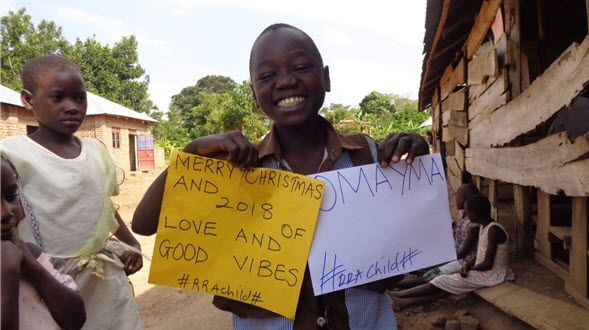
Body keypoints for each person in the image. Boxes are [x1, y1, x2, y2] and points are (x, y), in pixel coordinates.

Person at [132, 23, 429, 329]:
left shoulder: (368, 155)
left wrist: (415, 159)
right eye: (267, 76)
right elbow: (143, 223)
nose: (286, 81)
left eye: (300, 67)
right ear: (254, 93)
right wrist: (192, 153)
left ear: (326, 78)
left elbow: (417, 225)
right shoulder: (233, 170)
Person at [1, 54, 143, 329]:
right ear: (28, 100)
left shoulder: (96, 151)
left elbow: (102, 207)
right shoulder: (13, 154)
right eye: (58, 98)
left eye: (79, 98)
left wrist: (129, 242)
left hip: (106, 277)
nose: (72, 107)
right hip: (50, 278)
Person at [1, 156, 86, 329]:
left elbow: (76, 319)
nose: (5, 213)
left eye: (10, 197)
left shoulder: (30, 253)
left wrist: (32, 268)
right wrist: (8, 274)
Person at [390, 195, 509, 309]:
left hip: (492, 274)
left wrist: (468, 269)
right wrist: (467, 265)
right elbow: (480, 255)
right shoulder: (484, 227)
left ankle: (402, 296)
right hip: (483, 271)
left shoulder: (493, 230)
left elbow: (488, 263)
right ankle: (405, 301)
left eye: (467, 212)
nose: (466, 215)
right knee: (450, 286)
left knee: (442, 280)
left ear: (474, 214)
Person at [395, 183, 481, 289]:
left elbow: (465, 251)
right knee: (430, 258)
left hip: (465, 259)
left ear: (462, 199)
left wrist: (447, 258)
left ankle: (399, 285)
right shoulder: (462, 212)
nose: (455, 200)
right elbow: (458, 234)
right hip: (455, 252)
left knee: (435, 272)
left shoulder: (474, 222)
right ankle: (413, 272)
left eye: (456, 198)